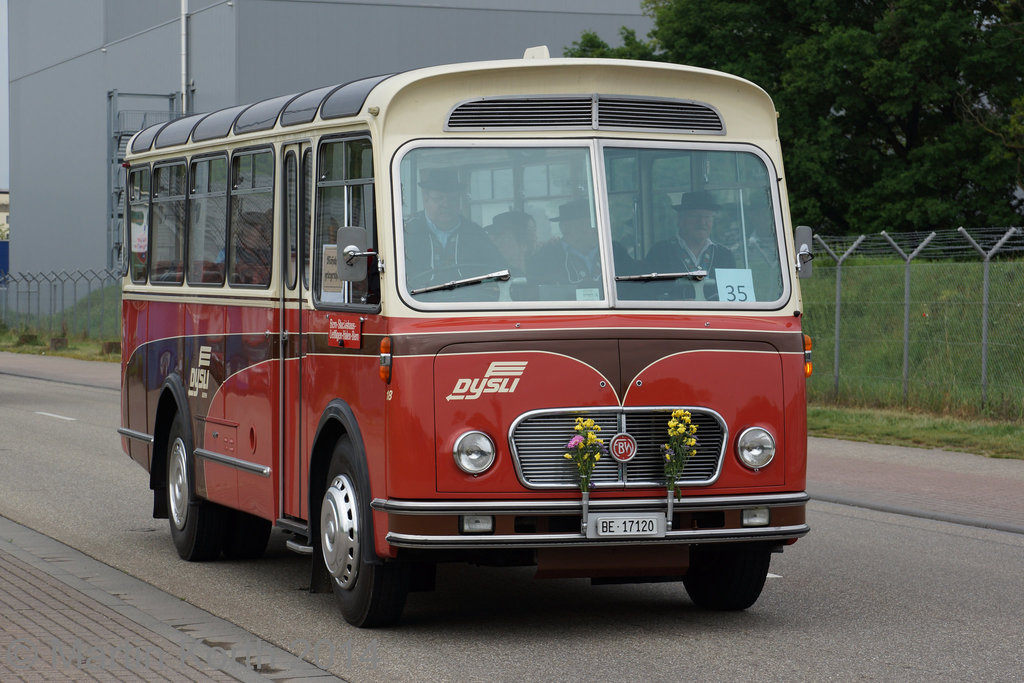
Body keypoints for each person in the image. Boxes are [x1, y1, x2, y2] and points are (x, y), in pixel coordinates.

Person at [403, 168, 502, 290]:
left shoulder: (475, 234)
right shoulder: (406, 232)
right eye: (439, 198)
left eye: (452, 199)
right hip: (417, 303)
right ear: (425, 198)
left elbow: (497, 268)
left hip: (467, 302)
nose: (446, 205)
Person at [644, 190, 735, 299]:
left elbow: (734, 298)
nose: (702, 222)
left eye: (707, 217)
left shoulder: (724, 255)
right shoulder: (660, 252)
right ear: (680, 219)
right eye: (695, 216)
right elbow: (649, 294)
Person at [527, 198, 603, 290]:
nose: (592, 228)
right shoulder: (545, 257)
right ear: (564, 228)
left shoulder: (614, 251)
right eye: (583, 224)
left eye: (593, 223)